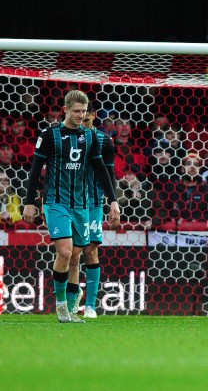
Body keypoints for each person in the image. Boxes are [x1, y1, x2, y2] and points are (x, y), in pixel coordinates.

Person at [22, 90, 120, 324]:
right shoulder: (49, 134)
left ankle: (73, 305)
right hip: (56, 202)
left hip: (82, 205)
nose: (80, 115)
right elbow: (36, 169)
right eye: (76, 111)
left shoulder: (90, 138)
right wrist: (30, 202)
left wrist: (113, 200)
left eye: (84, 111)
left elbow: (100, 169)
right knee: (65, 252)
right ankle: (62, 307)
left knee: (76, 256)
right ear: (65, 110)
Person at [65, 104, 117, 319]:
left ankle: (91, 305)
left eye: (86, 120)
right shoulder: (68, 138)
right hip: (71, 201)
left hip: (94, 203)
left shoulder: (104, 141)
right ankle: (71, 300)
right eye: (79, 118)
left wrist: (113, 201)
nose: (82, 124)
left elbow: (109, 172)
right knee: (72, 253)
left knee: (90, 251)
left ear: (94, 117)